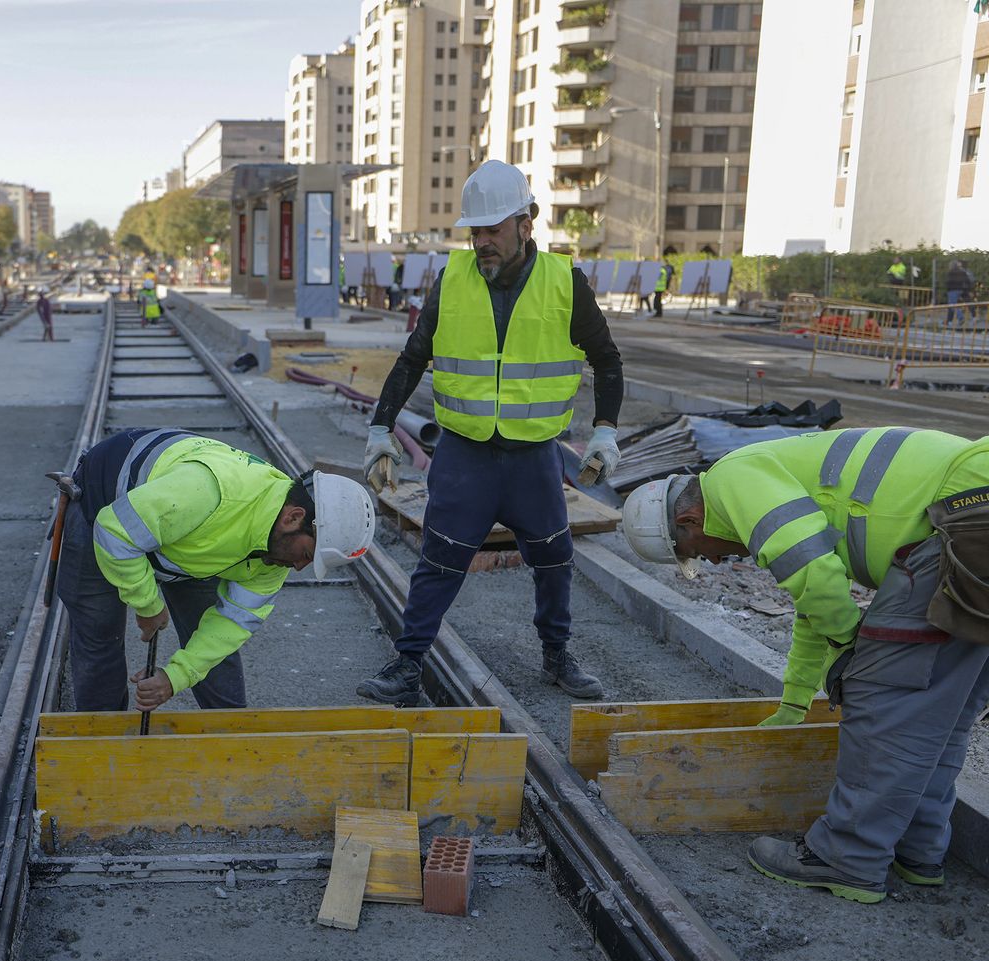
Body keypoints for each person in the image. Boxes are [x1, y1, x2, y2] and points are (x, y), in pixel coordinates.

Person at [621, 428, 989, 904]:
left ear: (690, 520)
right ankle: (918, 852)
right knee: (937, 710)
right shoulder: (765, 476)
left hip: (963, 522)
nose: (711, 562)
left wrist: (851, 647)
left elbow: (815, 576)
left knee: (883, 696)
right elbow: (813, 598)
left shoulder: (732, 481)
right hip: (971, 517)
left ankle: (848, 856)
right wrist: (795, 703)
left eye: (696, 554)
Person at [357, 159, 625, 707]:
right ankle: (408, 665)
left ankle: (556, 656)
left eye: (492, 230)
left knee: (554, 563)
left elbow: (608, 359)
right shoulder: (452, 280)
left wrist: (605, 434)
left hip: (533, 460)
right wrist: (380, 428)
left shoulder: (563, 282)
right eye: (474, 231)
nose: (481, 242)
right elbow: (413, 358)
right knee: (439, 561)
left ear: (527, 223)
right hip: (465, 455)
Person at [58, 428, 377, 713]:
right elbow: (115, 531)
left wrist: (173, 678)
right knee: (99, 631)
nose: (298, 567)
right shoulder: (211, 493)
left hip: (189, 540)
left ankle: (231, 733)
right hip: (106, 508)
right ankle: (101, 738)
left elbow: (230, 624)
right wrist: (147, 605)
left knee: (209, 642)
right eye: (307, 554)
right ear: (293, 518)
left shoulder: (276, 551)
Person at [944, 259, 976, 326]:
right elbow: (968, 281)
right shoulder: (962, 272)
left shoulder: (950, 272)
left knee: (952, 305)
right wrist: (968, 290)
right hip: (961, 290)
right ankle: (950, 321)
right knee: (955, 304)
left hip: (952, 290)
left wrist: (947, 290)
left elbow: (948, 282)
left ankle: (960, 318)